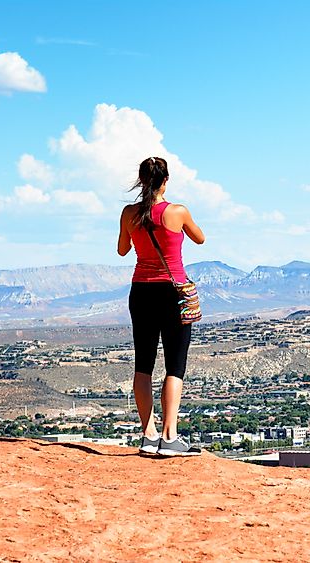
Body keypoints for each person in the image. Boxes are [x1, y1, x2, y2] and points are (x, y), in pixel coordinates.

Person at [117, 156, 205, 456]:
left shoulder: (129, 213)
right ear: (166, 180)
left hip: (141, 291)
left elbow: (122, 249)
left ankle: (148, 434)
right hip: (173, 292)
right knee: (175, 365)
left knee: (143, 364)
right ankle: (170, 436)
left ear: (141, 181)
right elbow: (200, 238)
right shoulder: (177, 211)